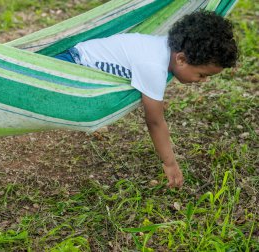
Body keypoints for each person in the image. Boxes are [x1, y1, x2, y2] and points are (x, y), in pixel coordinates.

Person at [54, 11, 238, 188]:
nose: (203, 81)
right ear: (181, 59)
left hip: (76, 62)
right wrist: (170, 163)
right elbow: (155, 121)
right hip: (68, 69)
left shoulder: (162, 46)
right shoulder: (154, 66)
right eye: (201, 75)